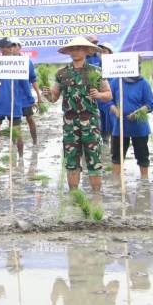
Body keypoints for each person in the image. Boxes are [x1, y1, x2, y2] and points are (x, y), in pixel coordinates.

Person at [42, 37, 112, 192]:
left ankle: (96, 197)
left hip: (91, 123)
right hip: (70, 124)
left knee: (94, 160)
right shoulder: (62, 73)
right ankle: (74, 195)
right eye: (73, 49)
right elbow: (54, 98)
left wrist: (99, 95)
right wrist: (47, 94)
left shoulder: (96, 71)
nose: (76, 51)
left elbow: (108, 94)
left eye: (79, 48)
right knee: (71, 161)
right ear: (69, 52)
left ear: (87, 51)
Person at [108, 61, 153, 179]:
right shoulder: (116, 81)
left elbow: (150, 103)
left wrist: (138, 113)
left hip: (139, 126)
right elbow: (108, 100)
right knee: (117, 156)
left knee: (142, 155)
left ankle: (144, 179)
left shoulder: (143, 83)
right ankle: (116, 181)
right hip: (120, 126)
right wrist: (115, 110)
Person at [0, 37, 27, 156]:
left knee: (17, 132)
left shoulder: (19, 63)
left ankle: (20, 158)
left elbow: (24, 84)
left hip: (14, 104)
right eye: (7, 46)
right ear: (0, 49)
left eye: (11, 46)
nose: (11, 49)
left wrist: (29, 100)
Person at [9, 37, 41, 146]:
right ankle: (14, 144)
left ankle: (35, 141)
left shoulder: (27, 62)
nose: (12, 48)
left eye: (15, 45)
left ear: (19, 47)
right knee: (13, 122)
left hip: (25, 96)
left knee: (30, 119)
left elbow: (33, 79)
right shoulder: (4, 62)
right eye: (10, 46)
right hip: (12, 97)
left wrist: (38, 95)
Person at [96, 43, 117, 146]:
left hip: (111, 102)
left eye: (105, 51)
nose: (102, 54)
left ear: (111, 53)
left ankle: (113, 150)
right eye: (100, 52)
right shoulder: (96, 68)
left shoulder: (117, 67)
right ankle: (104, 148)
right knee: (101, 126)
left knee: (112, 126)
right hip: (99, 101)